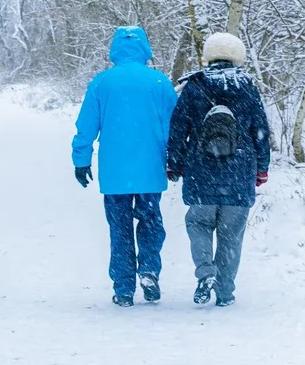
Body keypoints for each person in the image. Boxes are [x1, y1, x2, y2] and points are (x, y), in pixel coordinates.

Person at [72, 26, 177, 307]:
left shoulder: (102, 82)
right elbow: (174, 127)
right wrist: (175, 159)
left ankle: (123, 288)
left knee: (119, 229)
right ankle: (149, 269)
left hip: (115, 172)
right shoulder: (159, 82)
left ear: (115, 49)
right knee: (151, 222)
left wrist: (81, 160)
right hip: (150, 168)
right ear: (144, 48)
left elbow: (86, 126)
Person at [166, 32, 270, 307]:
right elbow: (261, 131)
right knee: (231, 234)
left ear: (209, 56)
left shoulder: (194, 86)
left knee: (198, 224)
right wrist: (262, 168)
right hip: (239, 173)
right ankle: (225, 293)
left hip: (201, 172)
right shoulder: (247, 87)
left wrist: (174, 164)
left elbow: (178, 129)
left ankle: (205, 272)